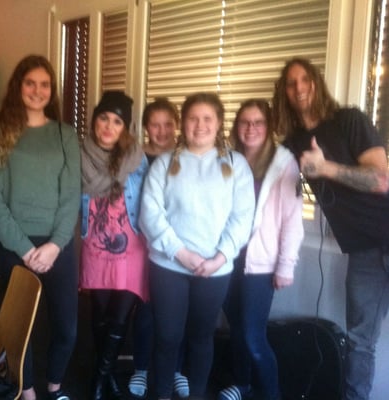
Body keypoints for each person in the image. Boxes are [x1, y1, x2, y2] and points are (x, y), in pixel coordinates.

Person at [273, 56, 389, 400]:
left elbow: (381, 179)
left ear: (316, 82)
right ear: (284, 93)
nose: (299, 87)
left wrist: (326, 169)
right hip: (364, 252)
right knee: (359, 341)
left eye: (304, 79)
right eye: (290, 83)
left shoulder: (348, 120)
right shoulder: (293, 143)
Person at [139, 92, 255, 400]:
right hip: (168, 266)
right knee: (167, 337)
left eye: (207, 119)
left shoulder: (237, 165)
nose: (200, 125)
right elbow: (150, 214)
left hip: (214, 269)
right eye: (193, 118)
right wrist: (180, 253)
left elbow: (242, 218)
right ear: (183, 123)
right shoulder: (165, 163)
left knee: (201, 338)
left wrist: (220, 257)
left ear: (218, 123)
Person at [0, 54, 81, 400]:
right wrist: (25, 250)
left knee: (67, 328)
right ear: (18, 86)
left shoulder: (65, 135)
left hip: (59, 246)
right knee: (21, 331)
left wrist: (55, 245)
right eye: (30, 83)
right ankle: (27, 391)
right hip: (15, 247)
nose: (38, 91)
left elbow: (71, 196)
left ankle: (55, 385)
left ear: (52, 90)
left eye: (45, 84)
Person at [217, 99, 304, 400]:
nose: (251, 128)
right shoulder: (227, 160)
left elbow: (292, 221)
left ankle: (271, 393)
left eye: (258, 122)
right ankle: (242, 384)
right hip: (227, 259)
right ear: (236, 126)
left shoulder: (284, 164)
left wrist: (286, 266)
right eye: (245, 122)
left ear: (268, 128)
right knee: (237, 329)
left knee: (253, 336)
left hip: (260, 263)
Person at [79, 90, 149, 400]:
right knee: (99, 316)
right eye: (104, 118)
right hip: (95, 247)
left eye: (117, 121)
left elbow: (151, 199)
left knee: (120, 317)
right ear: (95, 120)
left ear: (126, 128)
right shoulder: (78, 156)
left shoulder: (137, 158)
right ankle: (106, 377)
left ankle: (98, 380)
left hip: (132, 250)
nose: (109, 126)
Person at [128, 97, 189, 399]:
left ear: (176, 125)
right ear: (145, 127)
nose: (162, 131)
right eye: (155, 124)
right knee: (146, 310)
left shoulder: (188, 157)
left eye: (168, 124)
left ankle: (176, 369)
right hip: (139, 243)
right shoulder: (134, 158)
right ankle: (140, 366)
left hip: (177, 247)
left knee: (178, 313)